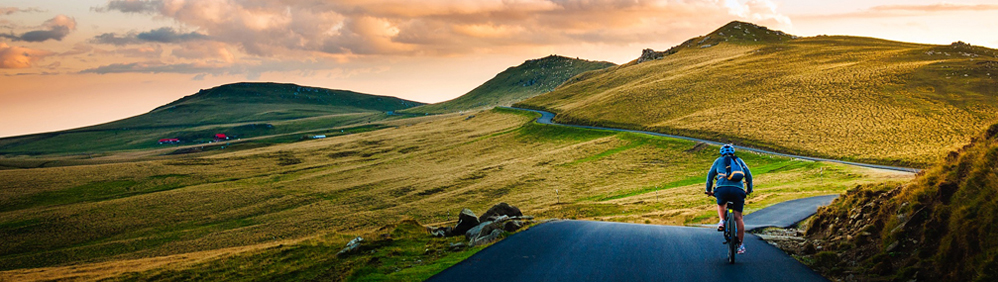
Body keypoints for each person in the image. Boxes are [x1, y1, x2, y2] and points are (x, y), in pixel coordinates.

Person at [705, 144, 753, 254]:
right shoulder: (739, 161)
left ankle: (722, 221)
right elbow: (748, 175)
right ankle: (740, 245)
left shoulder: (718, 161)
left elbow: (710, 176)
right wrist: (749, 190)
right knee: (739, 218)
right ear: (733, 152)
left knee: (721, 203)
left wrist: (708, 190)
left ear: (721, 153)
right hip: (738, 190)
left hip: (722, 188)